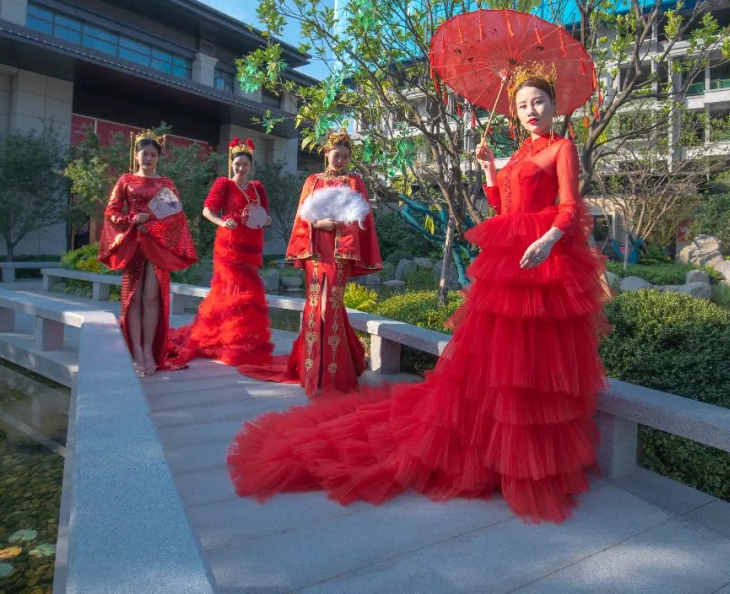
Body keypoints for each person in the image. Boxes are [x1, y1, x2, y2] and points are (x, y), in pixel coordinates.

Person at [227, 68, 608, 524]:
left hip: (543, 261)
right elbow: (501, 208)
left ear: (554, 105)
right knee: (500, 358)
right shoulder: (522, 150)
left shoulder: (562, 148)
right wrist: (490, 170)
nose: (531, 111)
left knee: (534, 362)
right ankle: (495, 447)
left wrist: (548, 239)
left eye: (538, 102)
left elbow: (570, 206)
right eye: (523, 105)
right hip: (512, 260)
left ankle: (530, 457)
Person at [238, 131, 383, 396]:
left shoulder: (354, 182)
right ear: (326, 154)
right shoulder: (312, 181)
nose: (340, 160)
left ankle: (333, 374)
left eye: (345, 157)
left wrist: (340, 227)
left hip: (340, 254)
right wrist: (319, 223)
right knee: (315, 307)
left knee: (330, 307)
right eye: (336, 155)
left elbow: (361, 222)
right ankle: (313, 369)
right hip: (315, 253)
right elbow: (302, 218)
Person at [167, 138, 275, 367]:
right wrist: (223, 222)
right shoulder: (224, 184)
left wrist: (266, 221)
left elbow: (264, 215)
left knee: (248, 291)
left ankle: (245, 341)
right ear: (231, 164)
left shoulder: (257, 188)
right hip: (230, 244)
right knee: (231, 289)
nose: (241, 168)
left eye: (245, 164)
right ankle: (228, 341)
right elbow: (207, 211)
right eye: (237, 164)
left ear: (251, 166)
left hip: (252, 245)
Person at [98, 131, 198, 377]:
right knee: (134, 298)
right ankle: (136, 352)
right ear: (136, 155)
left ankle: (149, 351)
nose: (149, 158)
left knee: (153, 298)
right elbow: (111, 211)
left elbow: (176, 217)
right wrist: (132, 219)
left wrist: (151, 226)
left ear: (158, 158)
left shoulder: (166, 183)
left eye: (153, 154)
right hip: (134, 244)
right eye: (145, 153)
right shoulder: (126, 180)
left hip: (157, 245)